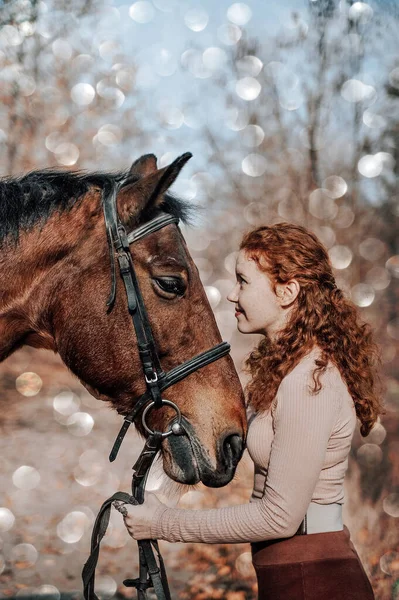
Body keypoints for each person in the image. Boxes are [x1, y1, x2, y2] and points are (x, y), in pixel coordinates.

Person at [114, 222, 383, 599]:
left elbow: (279, 516)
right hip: (291, 573)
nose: (231, 294)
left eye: (243, 281)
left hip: (316, 580)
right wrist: (164, 492)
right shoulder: (286, 371)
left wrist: (165, 523)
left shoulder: (309, 382)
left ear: (287, 292)